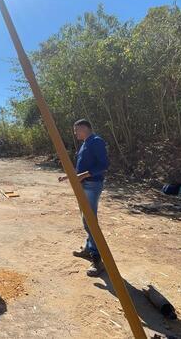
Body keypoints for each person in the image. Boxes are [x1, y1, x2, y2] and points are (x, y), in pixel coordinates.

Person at [58, 119, 109, 277]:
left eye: (77, 130)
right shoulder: (85, 144)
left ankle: (97, 259)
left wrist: (84, 175)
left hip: (92, 185)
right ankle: (89, 248)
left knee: (90, 221)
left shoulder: (96, 141)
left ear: (85, 128)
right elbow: (82, 166)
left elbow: (104, 165)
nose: (75, 133)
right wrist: (70, 176)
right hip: (83, 186)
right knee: (86, 219)